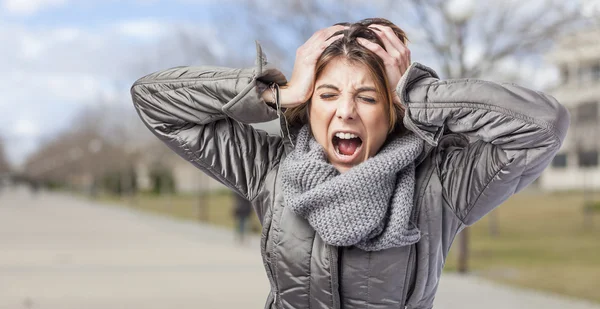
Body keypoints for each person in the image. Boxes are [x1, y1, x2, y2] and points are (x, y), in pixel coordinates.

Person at [131, 18, 569, 309]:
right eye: (327, 94)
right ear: (309, 103)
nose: (345, 112)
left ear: (392, 109)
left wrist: (419, 94)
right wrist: (276, 94)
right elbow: (155, 102)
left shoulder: (441, 182)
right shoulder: (270, 168)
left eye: (367, 96)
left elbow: (543, 126)